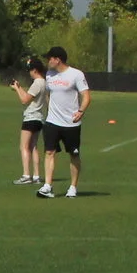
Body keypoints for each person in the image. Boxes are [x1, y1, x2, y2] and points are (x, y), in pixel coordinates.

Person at [33, 46, 90, 199]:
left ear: (57, 59)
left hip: (71, 123)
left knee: (73, 154)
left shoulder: (76, 74)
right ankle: (47, 186)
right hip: (52, 122)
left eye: (49, 58)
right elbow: (48, 95)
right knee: (49, 152)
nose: (47, 61)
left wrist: (81, 111)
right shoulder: (49, 75)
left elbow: (86, 96)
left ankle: (73, 187)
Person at [8, 58, 45, 181]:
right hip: (39, 117)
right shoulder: (44, 82)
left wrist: (17, 89)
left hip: (30, 118)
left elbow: (24, 100)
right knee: (33, 147)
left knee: (23, 147)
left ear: (35, 70)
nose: (29, 73)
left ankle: (26, 175)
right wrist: (19, 87)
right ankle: (36, 175)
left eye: (30, 70)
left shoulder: (37, 83)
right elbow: (29, 97)